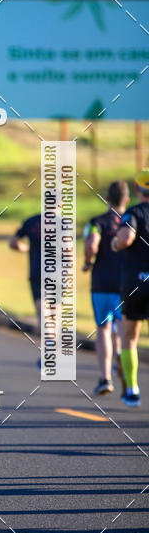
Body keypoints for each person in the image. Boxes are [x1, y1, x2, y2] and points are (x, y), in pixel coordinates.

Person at [83, 180, 129, 395]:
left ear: (107, 199)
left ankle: (105, 378)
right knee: (122, 325)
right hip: (125, 283)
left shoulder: (96, 222)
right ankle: (120, 353)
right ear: (127, 200)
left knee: (102, 329)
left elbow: (92, 243)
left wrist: (87, 261)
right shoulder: (131, 221)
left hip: (101, 283)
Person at [111, 170, 149, 407]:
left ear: (138, 190)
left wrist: (115, 244)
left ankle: (132, 389)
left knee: (129, 336)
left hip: (136, 282)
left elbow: (126, 238)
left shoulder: (133, 213)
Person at [10, 212, 42, 363]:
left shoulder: (31, 221)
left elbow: (14, 243)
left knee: (42, 316)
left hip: (36, 273)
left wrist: (28, 249)